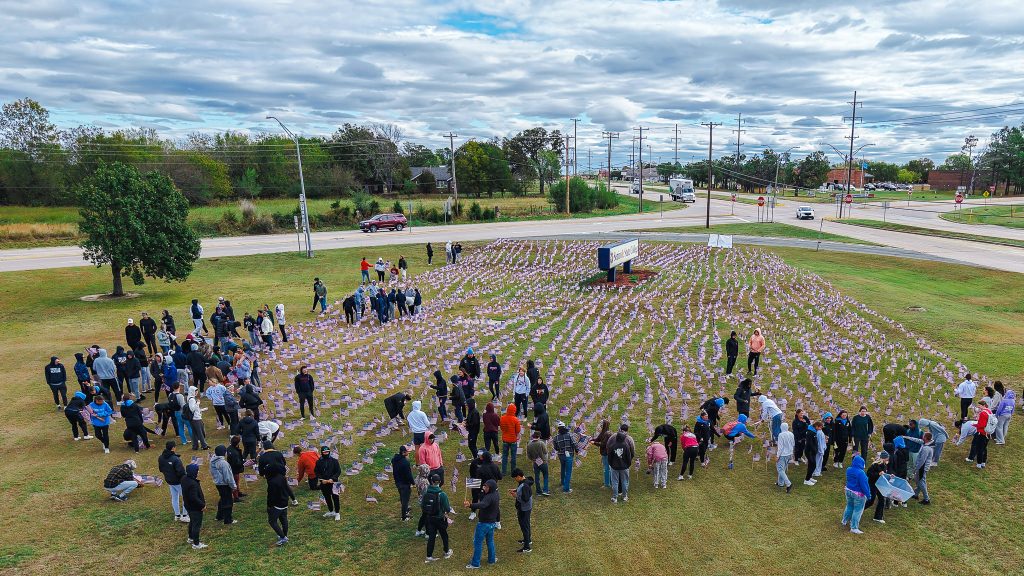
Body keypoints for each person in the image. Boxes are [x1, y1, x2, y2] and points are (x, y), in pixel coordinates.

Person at [465, 479, 500, 569]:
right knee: (490, 542)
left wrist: (470, 505)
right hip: (492, 523)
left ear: (491, 488)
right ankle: (492, 559)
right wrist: (483, 492)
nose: (485, 487)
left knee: (478, 543)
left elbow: (483, 504)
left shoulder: (489, 497)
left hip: (484, 523)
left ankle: (475, 563)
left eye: (487, 487)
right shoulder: (495, 494)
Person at [422, 473, 454, 563]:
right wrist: (445, 513)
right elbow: (447, 508)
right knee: (444, 535)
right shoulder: (442, 494)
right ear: (440, 482)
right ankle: (446, 551)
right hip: (440, 518)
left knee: (431, 537)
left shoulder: (426, 492)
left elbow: (422, 505)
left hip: (429, 518)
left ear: (431, 481)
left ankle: (429, 556)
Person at [158, 441, 188, 522]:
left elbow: (161, 469)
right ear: (173, 448)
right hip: (178, 482)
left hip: (169, 481)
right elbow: (181, 472)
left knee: (174, 497)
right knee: (186, 497)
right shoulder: (176, 459)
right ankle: (184, 515)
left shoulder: (161, 457)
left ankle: (177, 515)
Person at [841, 455, 870, 535]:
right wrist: (868, 495)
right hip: (858, 494)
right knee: (858, 510)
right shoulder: (861, 473)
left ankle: (844, 520)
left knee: (849, 506)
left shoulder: (848, 469)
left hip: (848, 491)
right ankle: (854, 527)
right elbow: (864, 485)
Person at [180, 463, 207, 549]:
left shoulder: (184, 479)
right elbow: (194, 498)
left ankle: (191, 538)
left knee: (192, 522)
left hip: (188, 506)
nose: (198, 472)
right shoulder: (193, 483)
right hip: (195, 507)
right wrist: (202, 505)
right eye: (197, 470)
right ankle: (196, 544)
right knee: (196, 525)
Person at [902, 432, 933, 505]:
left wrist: (916, 468)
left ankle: (926, 499)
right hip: (922, 467)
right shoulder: (926, 443)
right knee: (919, 480)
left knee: (921, 482)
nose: (922, 436)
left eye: (923, 436)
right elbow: (917, 440)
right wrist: (905, 437)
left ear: (925, 438)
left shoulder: (926, 448)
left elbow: (922, 460)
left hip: (922, 468)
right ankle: (915, 494)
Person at [607, 424, 635, 503]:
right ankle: (625, 496)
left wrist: (611, 464)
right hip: (624, 467)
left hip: (614, 467)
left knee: (615, 482)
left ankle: (615, 497)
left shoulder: (612, 445)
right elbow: (629, 456)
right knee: (625, 481)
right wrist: (628, 464)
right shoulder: (626, 446)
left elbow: (610, 456)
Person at [211, 445, 238, 525]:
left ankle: (219, 516)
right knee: (228, 502)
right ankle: (228, 520)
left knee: (223, 499)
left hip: (218, 483)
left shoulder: (212, 461)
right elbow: (228, 477)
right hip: (224, 484)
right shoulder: (223, 463)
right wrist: (233, 486)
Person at [314, 446, 342, 521]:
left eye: (327, 452)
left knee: (335, 497)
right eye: (324, 452)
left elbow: (338, 471)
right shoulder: (319, 462)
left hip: (333, 483)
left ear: (329, 452)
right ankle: (331, 511)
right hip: (324, 483)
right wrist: (321, 479)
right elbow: (316, 472)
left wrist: (332, 478)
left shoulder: (334, 461)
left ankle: (337, 513)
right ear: (322, 453)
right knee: (327, 498)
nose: (326, 453)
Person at [510, 468, 534, 553]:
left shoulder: (524, 486)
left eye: (515, 478)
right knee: (526, 525)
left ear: (519, 476)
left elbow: (525, 498)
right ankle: (527, 539)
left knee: (524, 526)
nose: (515, 480)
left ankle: (527, 547)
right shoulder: (525, 482)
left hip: (524, 509)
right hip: (526, 508)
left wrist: (516, 496)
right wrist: (516, 490)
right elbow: (523, 491)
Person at [267, 464, 291, 546]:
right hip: (285, 502)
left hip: (277, 504)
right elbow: (287, 488)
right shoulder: (282, 477)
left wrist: (269, 506)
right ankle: (284, 535)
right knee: (284, 520)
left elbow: (271, 495)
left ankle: (283, 537)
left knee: (272, 521)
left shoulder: (272, 482)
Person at [865, 451, 891, 524]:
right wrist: (878, 474)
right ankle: (858, 510)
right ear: (883, 458)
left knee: (882, 499)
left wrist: (889, 476)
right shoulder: (875, 465)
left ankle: (878, 517)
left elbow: (884, 475)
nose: (888, 459)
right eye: (887, 458)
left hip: (880, 485)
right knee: (871, 501)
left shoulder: (885, 465)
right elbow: (869, 474)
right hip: (873, 484)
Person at [393, 445, 415, 521]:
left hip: (397, 482)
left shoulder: (395, 459)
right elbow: (409, 474)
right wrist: (413, 483)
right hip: (404, 483)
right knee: (405, 499)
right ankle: (404, 517)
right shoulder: (405, 462)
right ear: (403, 452)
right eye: (407, 452)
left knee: (402, 496)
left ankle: (406, 509)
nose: (408, 453)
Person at [525, 431, 550, 496]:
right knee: (545, 476)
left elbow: (528, 455)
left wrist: (533, 459)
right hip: (543, 462)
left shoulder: (529, 444)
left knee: (537, 477)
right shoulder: (541, 443)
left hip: (535, 462)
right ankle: (545, 490)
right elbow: (545, 452)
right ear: (539, 436)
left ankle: (538, 491)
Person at [970, 400, 993, 469]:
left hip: (982, 433)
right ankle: (983, 462)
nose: (978, 407)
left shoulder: (983, 413)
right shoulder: (989, 411)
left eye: (979, 405)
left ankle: (979, 463)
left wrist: (974, 424)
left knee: (979, 448)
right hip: (988, 433)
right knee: (984, 448)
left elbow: (982, 425)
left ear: (983, 405)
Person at [499, 404, 521, 476]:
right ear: (514, 411)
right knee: (513, 456)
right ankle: (513, 471)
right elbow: (518, 430)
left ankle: (503, 471)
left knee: (505, 456)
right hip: (513, 440)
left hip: (505, 439)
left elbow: (502, 428)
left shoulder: (502, 418)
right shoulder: (515, 419)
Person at [186, 386, 210, 451]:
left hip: (193, 418)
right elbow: (192, 409)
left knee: (195, 433)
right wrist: (198, 403)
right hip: (196, 418)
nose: (196, 392)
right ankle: (204, 446)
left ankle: (195, 446)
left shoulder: (190, 398)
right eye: (195, 391)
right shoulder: (192, 399)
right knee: (200, 432)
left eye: (197, 391)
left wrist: (202, 409)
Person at [591, 419, 612, 487]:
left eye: (601, 425)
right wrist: (591, 439)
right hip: (605, 453)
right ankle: (610, 482)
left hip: (607, 453)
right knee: (608, 468)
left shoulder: (607, 434)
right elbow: (598, 439)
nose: (599, 426)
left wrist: (594, 443)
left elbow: (603, 444)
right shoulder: (604, 432)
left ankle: (607, 484)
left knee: (607, 469)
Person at [776, 422, 794, 492]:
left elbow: (780, 447)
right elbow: (793, 444)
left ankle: (788, 484)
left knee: (780, 469)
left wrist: (777, 456)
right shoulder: (791, 434)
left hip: (783, 454)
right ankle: (780, 483)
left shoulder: (781, 435)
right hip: (789, 453)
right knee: (783, 468)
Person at [227, 437, 246, 501]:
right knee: (235, 482)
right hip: (235, 469)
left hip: (232, 468)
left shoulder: (230, 448)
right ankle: (236, 497)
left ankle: (238, 492)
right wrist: (244, 463)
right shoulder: (234, 452)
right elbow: (236, 463)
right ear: (237, 443)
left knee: (236, 482)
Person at [803, 421, 820, 485]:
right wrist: (814, 449)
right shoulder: (810, 433)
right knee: (812, 465)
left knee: (812, 465)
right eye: (820, 427)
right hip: (809, 451)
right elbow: (810, 443)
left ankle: (809, 477)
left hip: (812, 451)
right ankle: (806, 480)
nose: (820, 429)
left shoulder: (814, 432)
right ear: (816, 426)